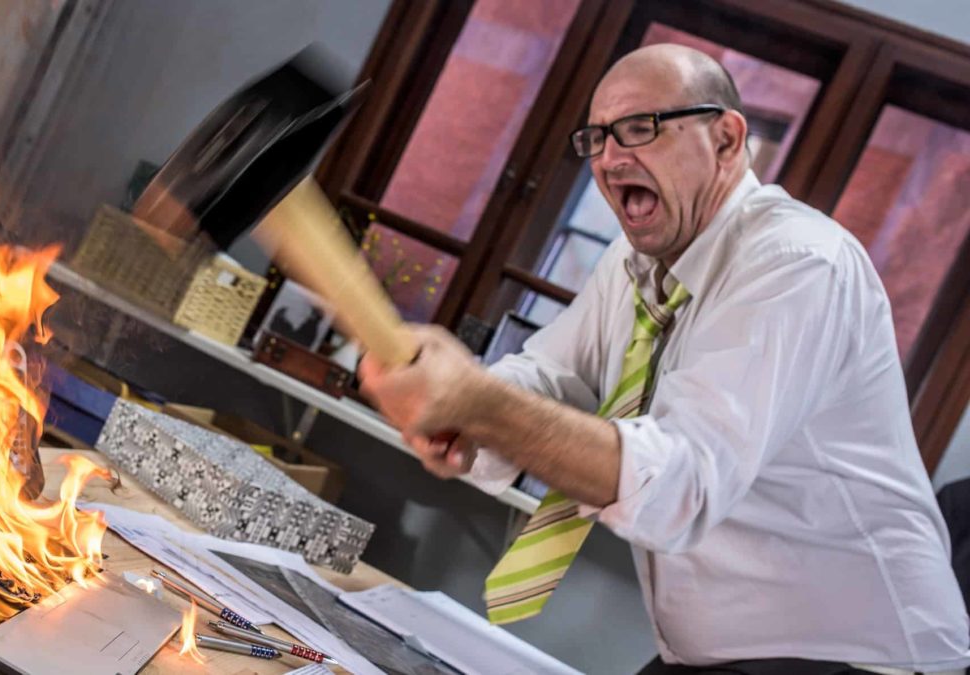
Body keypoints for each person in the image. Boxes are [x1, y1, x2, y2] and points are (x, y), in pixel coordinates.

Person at [358, 44, 970, 675]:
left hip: (867, 660)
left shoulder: (798, 263)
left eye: (640, 128)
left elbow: (684, 483)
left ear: (727, 140)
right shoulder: (634, 266)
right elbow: (549, 376)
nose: (610, 158)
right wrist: (465, 413)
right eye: (596, 138)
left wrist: (482, 405)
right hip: (720, 653)